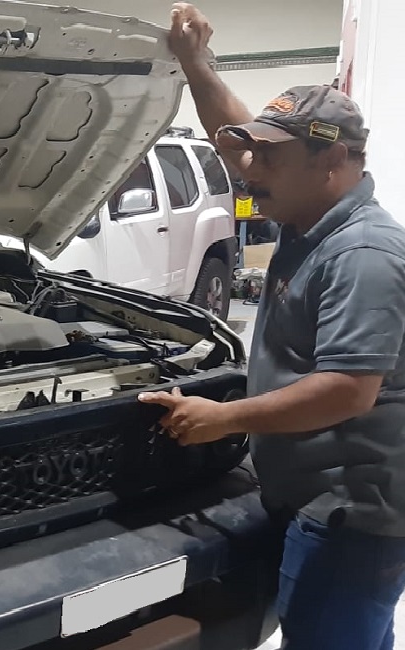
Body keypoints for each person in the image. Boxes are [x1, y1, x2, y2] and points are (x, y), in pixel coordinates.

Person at [137, 4, 405, 649]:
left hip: (351, 512)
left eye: (270, 158)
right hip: (309, 491)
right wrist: (196, 65)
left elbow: (348, 390)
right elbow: (235, 137)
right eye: (254, 152)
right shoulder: (308, 216)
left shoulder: (361, 254)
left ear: (331, 160)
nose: (249, 170)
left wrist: (224, 418)